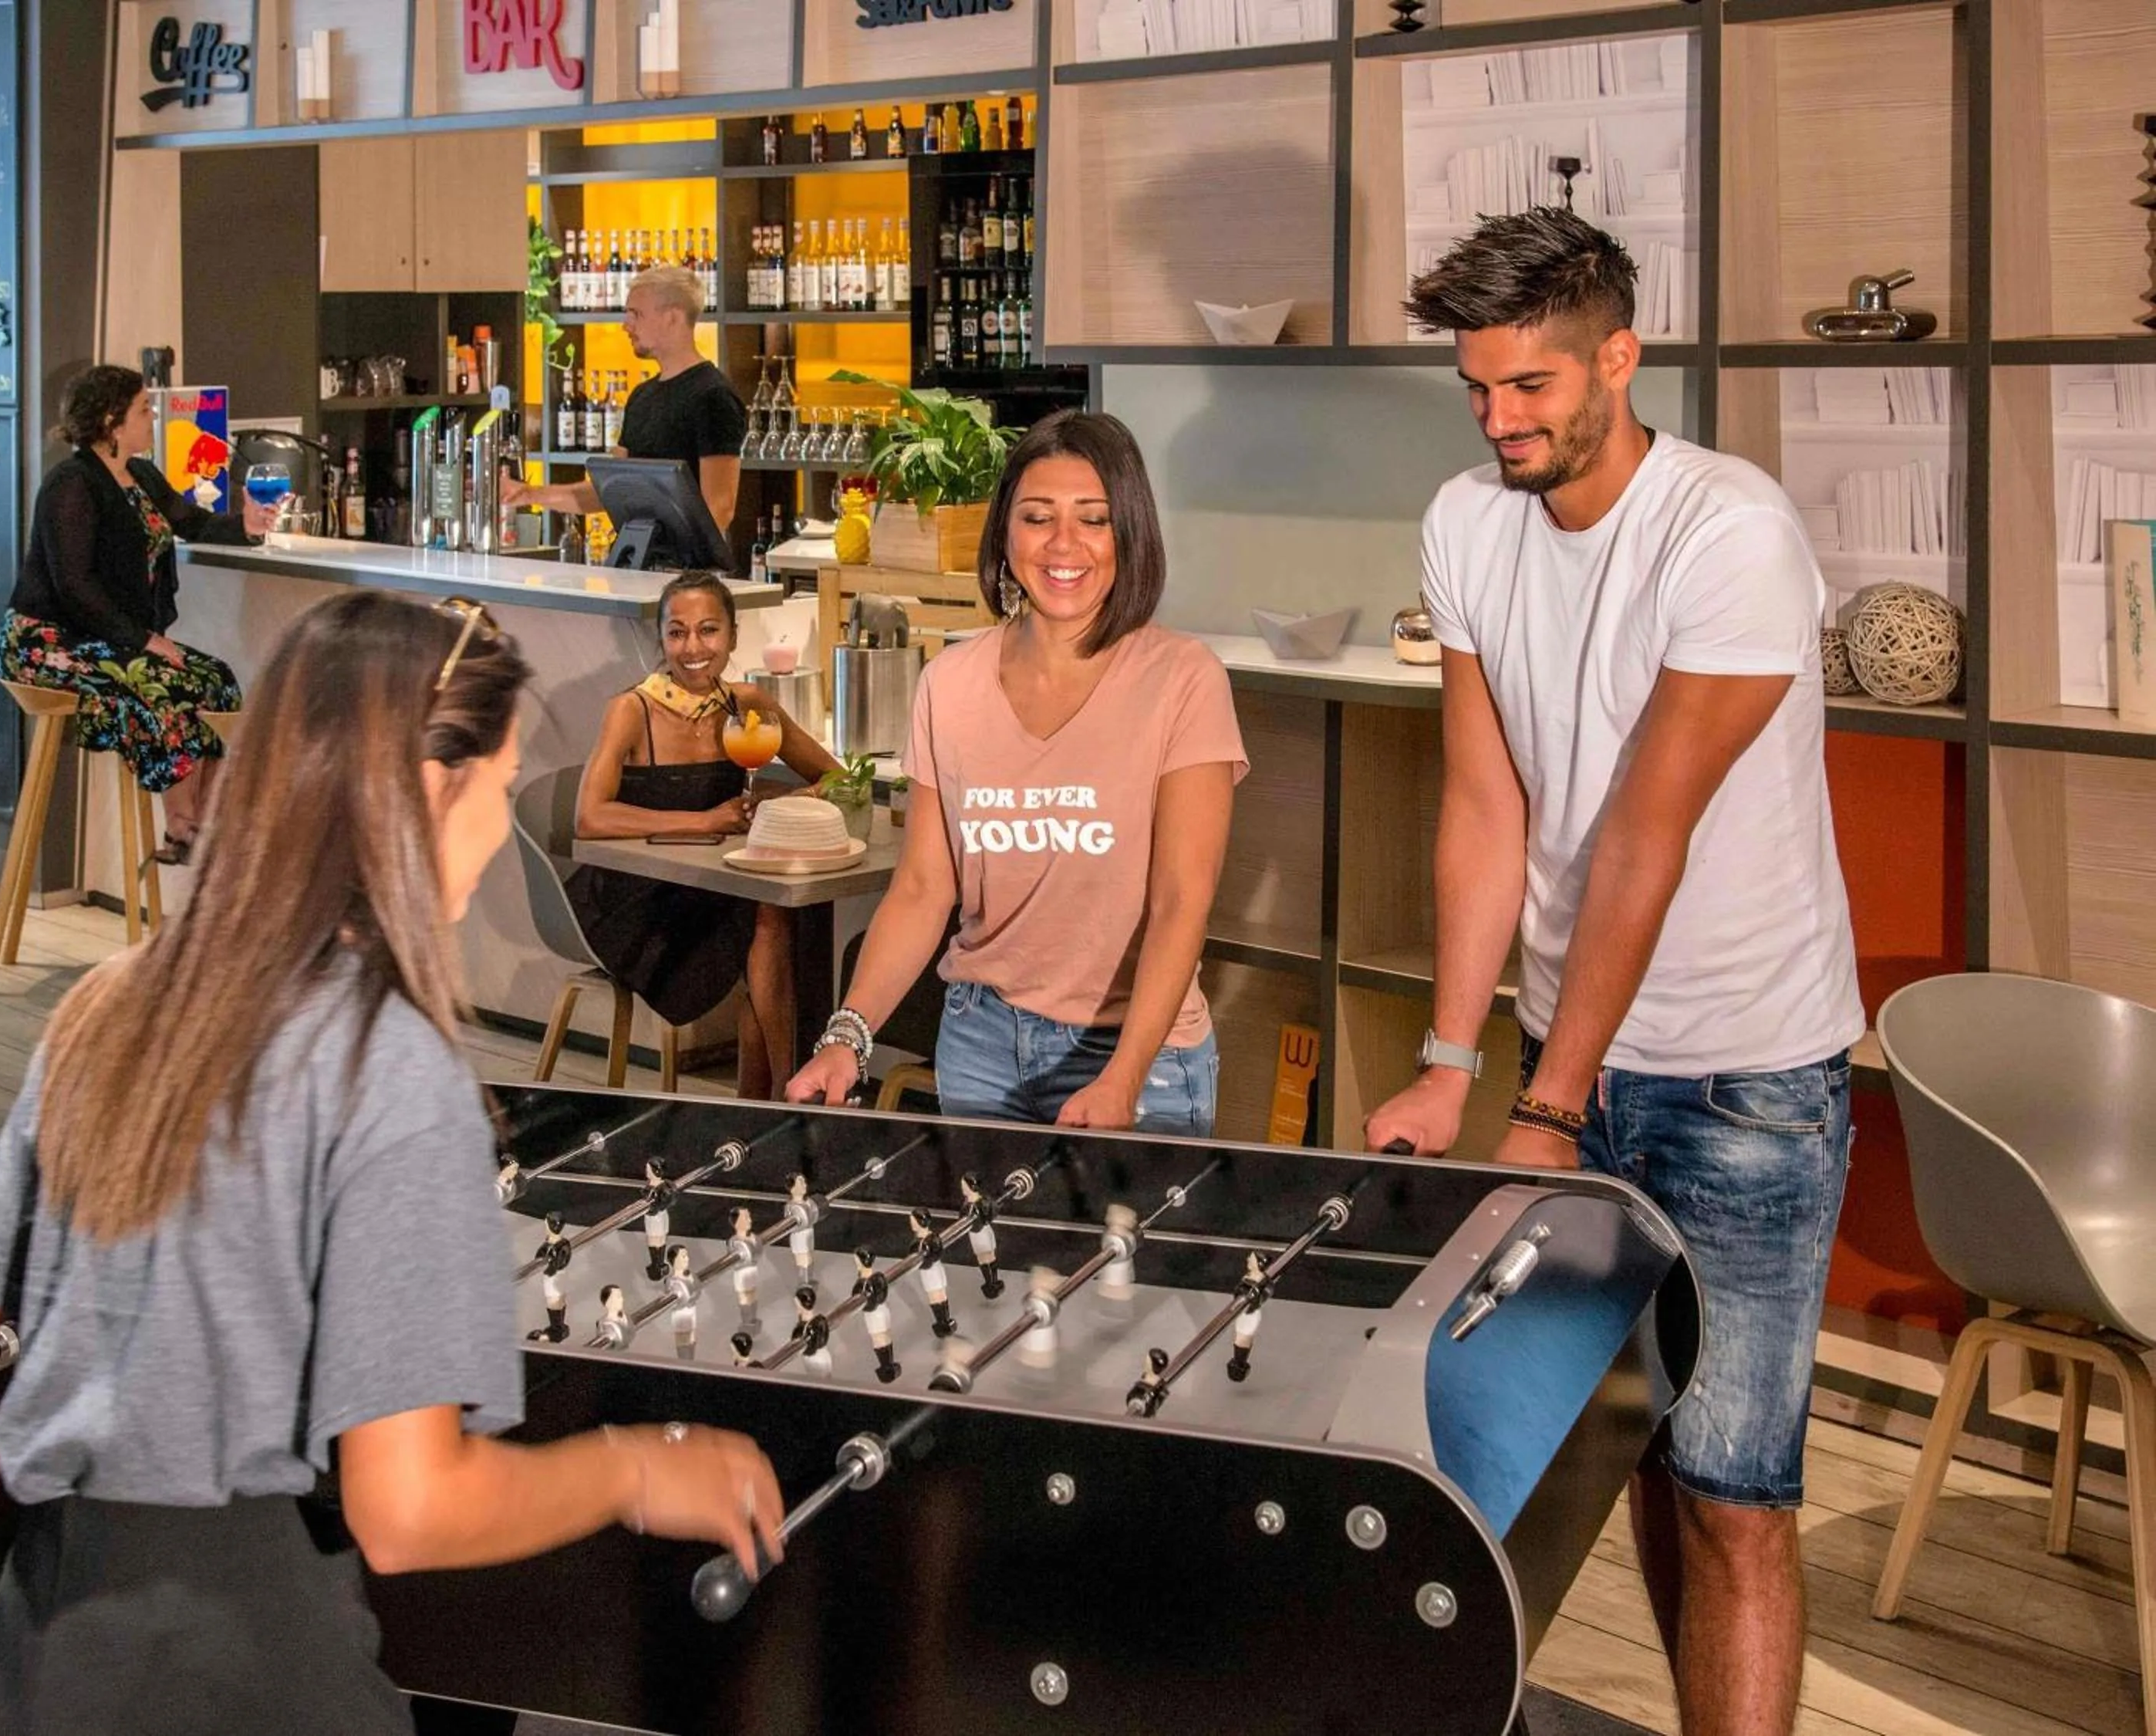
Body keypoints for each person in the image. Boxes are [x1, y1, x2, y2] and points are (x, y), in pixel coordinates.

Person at [0, 589, 784, 1736]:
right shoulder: (395, 1067)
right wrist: (634, 1468)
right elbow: (409, 1506)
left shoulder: (111, 1006)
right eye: (498, 789)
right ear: (421, 790)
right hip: (256, 1664)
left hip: (46, 1656)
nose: (499, 827)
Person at [1361, 209, 1861, 1736]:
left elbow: (1644, 831)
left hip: (1742, 1082)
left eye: (1531, 388)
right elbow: (1485, 803)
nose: (1503, 420)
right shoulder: (1466, 521)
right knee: (1607, 1448)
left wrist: (1552, 1116)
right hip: (1566, 1062)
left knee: (1731, 1491)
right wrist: (1455, 1061)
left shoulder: (1734, 533)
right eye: (1479, 391)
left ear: (1619, 360)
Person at [784, 411, 1247, 1137]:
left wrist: (1121, 1080)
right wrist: (848, 1037)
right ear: (1006, 532)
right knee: (983, 1255)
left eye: (1093, 519)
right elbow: (923, 888)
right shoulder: (950, 682)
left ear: (1130, 532)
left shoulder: (1184, 682)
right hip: (980, 1042)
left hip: (1141, 1055)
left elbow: (1182, 902)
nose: (1065, 545)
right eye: (1038, 518)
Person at [565, 571, 838, 1099]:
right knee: (767, 918)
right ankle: (792, 1098)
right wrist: (705, 820)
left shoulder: (747, 705)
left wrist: (781, 806)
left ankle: (764, 1103)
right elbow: (590, 818)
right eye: (677, 632)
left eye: (709, 631)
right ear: (661, 639)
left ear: (733, 637)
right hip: (638, 897)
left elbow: (832, 777)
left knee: (775, 913)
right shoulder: (631, 710)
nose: (693, 648)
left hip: (721, 885)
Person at [3, 365, 275, 863]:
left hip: (103, 636)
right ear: (112, 421)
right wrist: (143, 639)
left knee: (215, 679)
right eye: (144, 409)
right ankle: (184, 827)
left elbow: (190, 521)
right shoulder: (71, 484)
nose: (152, 418)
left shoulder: (142, 473)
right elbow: (73, 587)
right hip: (46, 641)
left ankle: (203, 826)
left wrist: (249, 526)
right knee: (160, 681)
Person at [501, 263, 746, 549]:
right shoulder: (642, 396)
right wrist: (528, 494)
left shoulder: (712, 396)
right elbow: (608, 491)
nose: (626, 325)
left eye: (636, 314)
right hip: (638, 566)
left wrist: (673, 568)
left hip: (684, 579)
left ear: (673, 318)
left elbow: (719, 509)